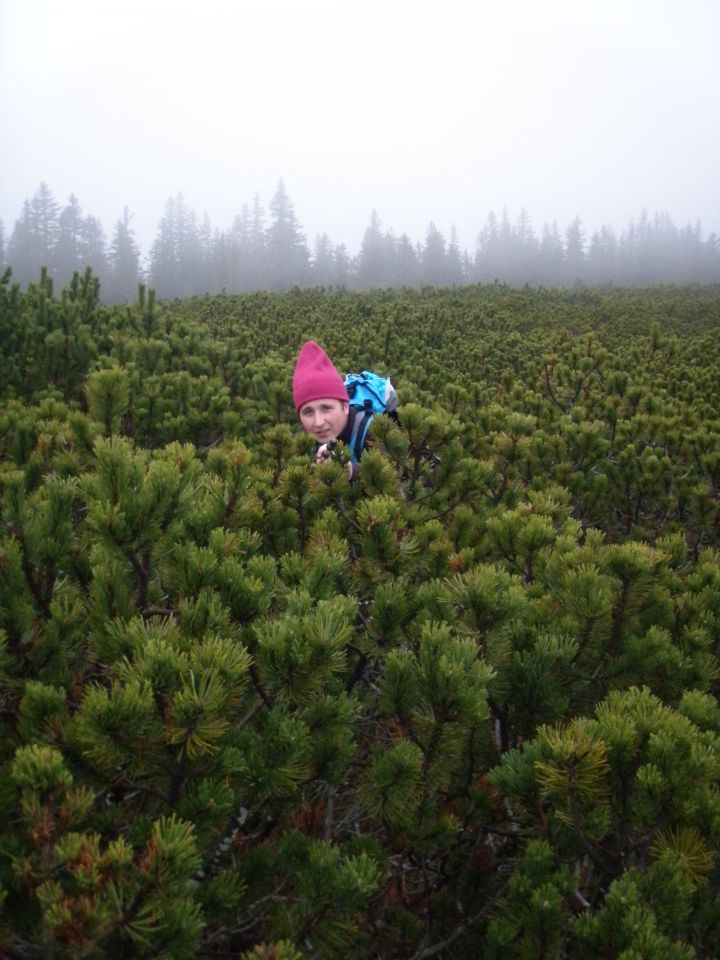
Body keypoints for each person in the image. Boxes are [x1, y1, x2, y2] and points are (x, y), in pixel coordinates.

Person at [292, 341, 372, 476]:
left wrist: (352, 471)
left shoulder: (371, 431)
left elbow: (398, 473)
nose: (318, 422)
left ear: (345, 406)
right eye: (308, 412)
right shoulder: (303, 442)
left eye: (326, 408)